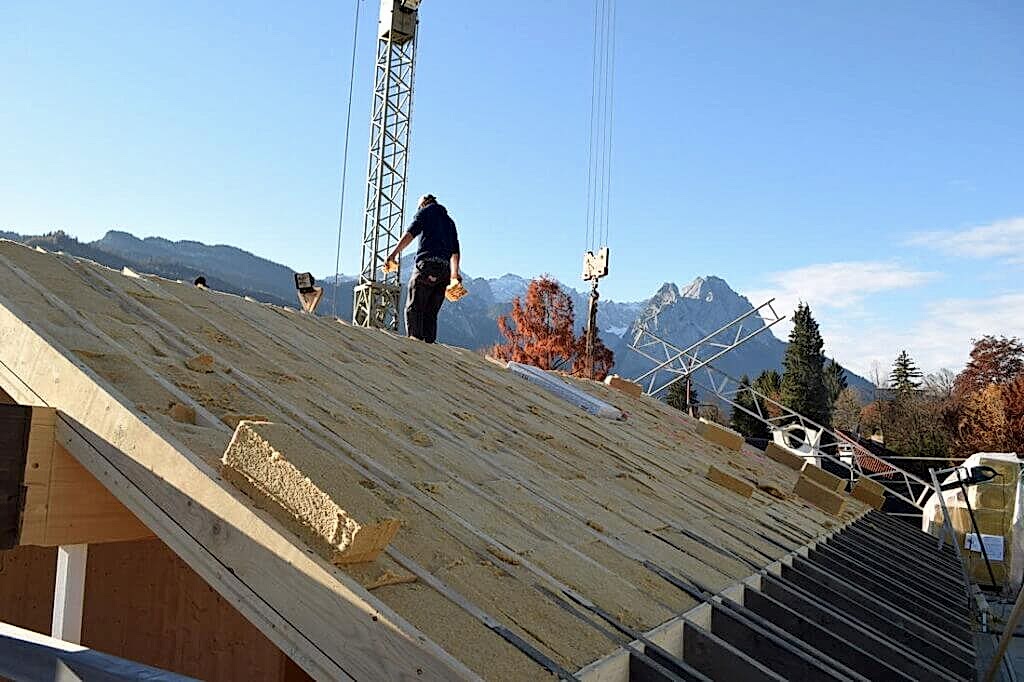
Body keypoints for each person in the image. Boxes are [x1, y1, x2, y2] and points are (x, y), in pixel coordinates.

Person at [384, 194, 462, 343]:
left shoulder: (424, 212)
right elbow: (455, 252)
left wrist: (393, 254)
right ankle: (429, 347)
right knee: (431, 313)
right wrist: (454, 274)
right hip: (444, 271)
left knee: (414, 308)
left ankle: (415, 347)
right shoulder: (450, 222)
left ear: (423, 204)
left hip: (426, 265)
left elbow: (410, 234)